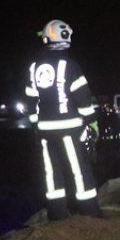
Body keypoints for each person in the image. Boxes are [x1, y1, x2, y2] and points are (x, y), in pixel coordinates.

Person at [25, 19, 103, 220]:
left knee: (51, 173)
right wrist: (92, 122)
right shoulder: (70, 65)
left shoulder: (34, 67)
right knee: (79, 169)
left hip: (44, 131)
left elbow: (30, 99)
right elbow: (82, 98)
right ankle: (89, 210)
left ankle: (57, 212)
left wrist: (35, 124)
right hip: (70, 128)